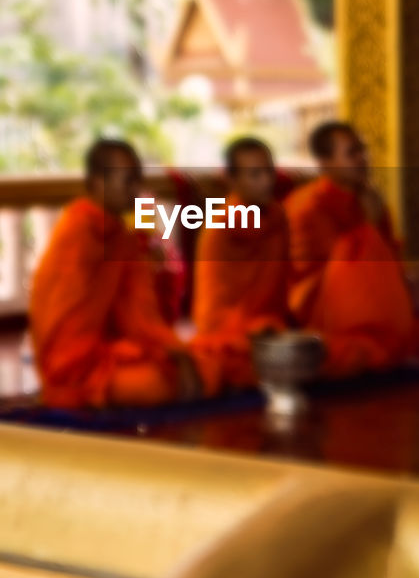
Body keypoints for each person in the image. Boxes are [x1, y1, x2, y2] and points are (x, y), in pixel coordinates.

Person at [29, 139, 203, 408]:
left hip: (107, 355)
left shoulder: (123, 238)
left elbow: (141, 314)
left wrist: (178, 354)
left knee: (192, 367)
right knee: (157, 384)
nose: (136, 191)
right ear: (99, 183)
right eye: (128, 181)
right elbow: (64, 334)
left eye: (138, 181)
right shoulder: (79, 232)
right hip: (73, 368)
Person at [284, 121, 419, 375]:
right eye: (352, 153)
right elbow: (342, 273)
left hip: (376, 304)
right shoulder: (307, 208)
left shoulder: (370, 199)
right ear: (325, 162)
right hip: (322, 308)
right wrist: (367, 230)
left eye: (363, 150)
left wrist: (405, 290)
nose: (362, 159)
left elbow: (389, 262)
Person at [190, 138, 290, 390]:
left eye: (269, 171)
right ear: (232, 181)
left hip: (273, 332)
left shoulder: (278, 218)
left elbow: (283, 290)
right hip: (232, 341)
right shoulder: (220, 229)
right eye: (255, 174)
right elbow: (212, 315)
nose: (267, 181)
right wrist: (254, 331)